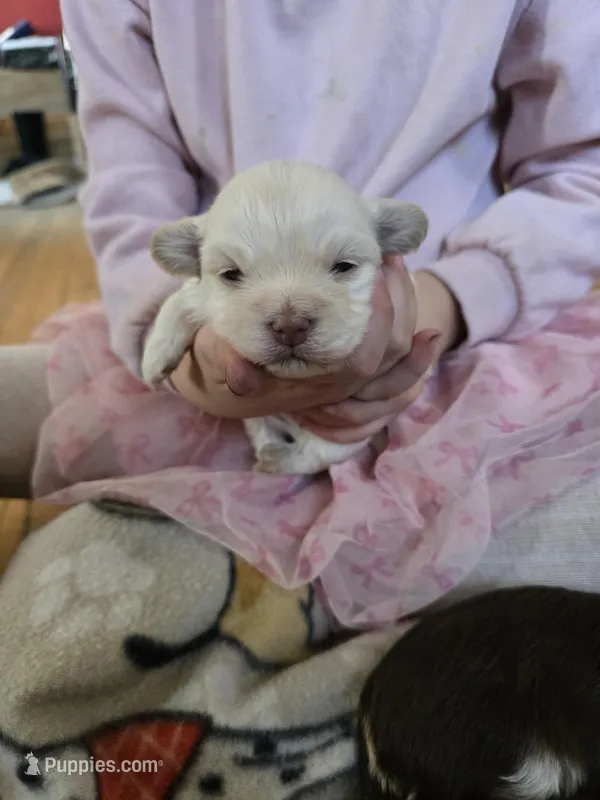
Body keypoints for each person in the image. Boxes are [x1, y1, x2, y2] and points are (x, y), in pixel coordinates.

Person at [1, 0, 600, 625]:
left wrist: (449, 299)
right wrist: (177, 344)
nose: (290, 320)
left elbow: (581, 174)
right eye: (236, 271)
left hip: (466, 348)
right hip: (204, 362)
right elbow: (132, 189)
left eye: (342, 265)